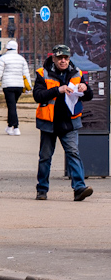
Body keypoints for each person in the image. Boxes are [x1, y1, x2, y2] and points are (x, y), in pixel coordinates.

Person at [30, 44, 95, 201]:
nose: (63, 61)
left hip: (70, 122)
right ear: (54, 58)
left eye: (66, 58)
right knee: (45, 157)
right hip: (49, 122)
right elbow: (38, 96)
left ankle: (79, 188)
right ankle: (42, 189)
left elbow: (89, 95)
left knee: (73, 153)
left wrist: (84, 87)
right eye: (60, 58)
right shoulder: (42, 73)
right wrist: (57, 90)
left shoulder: (77, 73)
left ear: (69, 58)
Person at [0, 39, 30, 135]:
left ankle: (16, 127)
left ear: (7, 48)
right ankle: (9, 127)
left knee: (11, 106)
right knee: (12, 106)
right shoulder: (22, 59)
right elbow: (26, 74)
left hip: (8, 85)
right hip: (19, 86)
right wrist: (29, 87)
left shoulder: (3, 58)